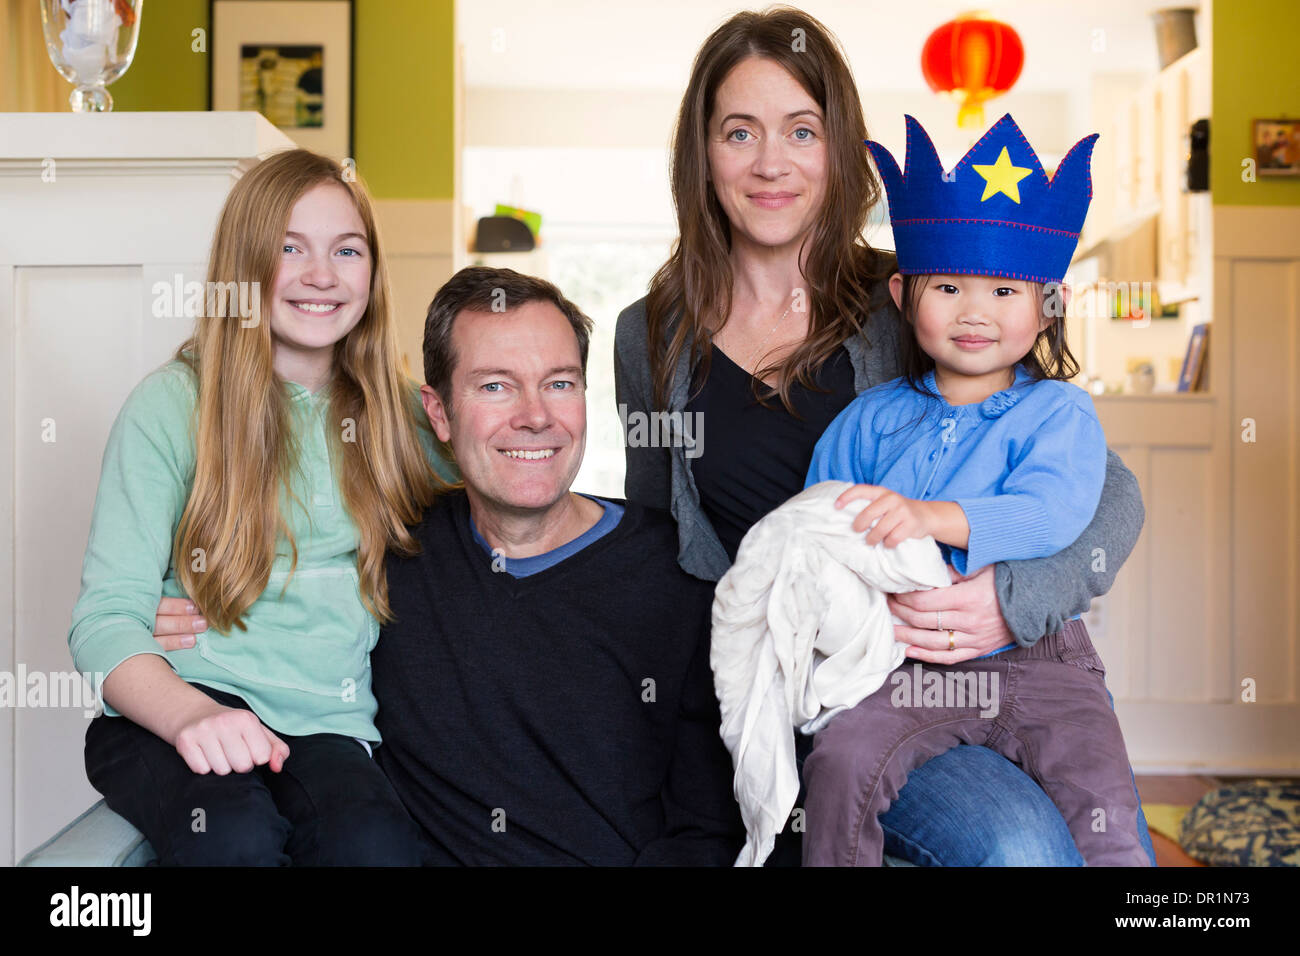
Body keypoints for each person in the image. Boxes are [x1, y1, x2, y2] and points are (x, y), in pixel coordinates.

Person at [613, 6, 1156, 865]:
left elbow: (1107, 492)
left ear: (838, 148)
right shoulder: (652, 334)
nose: (770, 163)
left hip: (936, 667)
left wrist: (1005, 602)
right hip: (778, 675)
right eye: (738, 132)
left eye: (801, 130)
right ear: (701, 153)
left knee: (1029, 847)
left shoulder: (921, 295)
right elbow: (658, 535)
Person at [68, 148, 450, 865]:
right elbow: (102, 619)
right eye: (289, 249)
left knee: (377, 845)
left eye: (347, 249)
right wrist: (191, 714)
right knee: (235, 837)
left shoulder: (401, 420)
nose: (322, 275)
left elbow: (512, 475)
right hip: (178, 704)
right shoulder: (172, 406)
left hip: (328, 722)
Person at [797, 113, 1149, 866]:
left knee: (1108, 819)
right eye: (949, 286)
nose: (975, 311)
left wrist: (928, 516)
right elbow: (818, 527)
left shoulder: (1060, 412)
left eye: (1003, 289)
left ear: (1048, 303)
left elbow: (1054, 514)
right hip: (906, 666)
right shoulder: (869, 421)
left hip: (1044, 663)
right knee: (844, 759)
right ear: (902, 292)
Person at [364, 266, 743, 865]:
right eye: (495, 386)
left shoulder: (681, 575)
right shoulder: (385, 560)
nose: (536, 416)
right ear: (438, 414)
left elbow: (712, 826)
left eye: (559, 384)